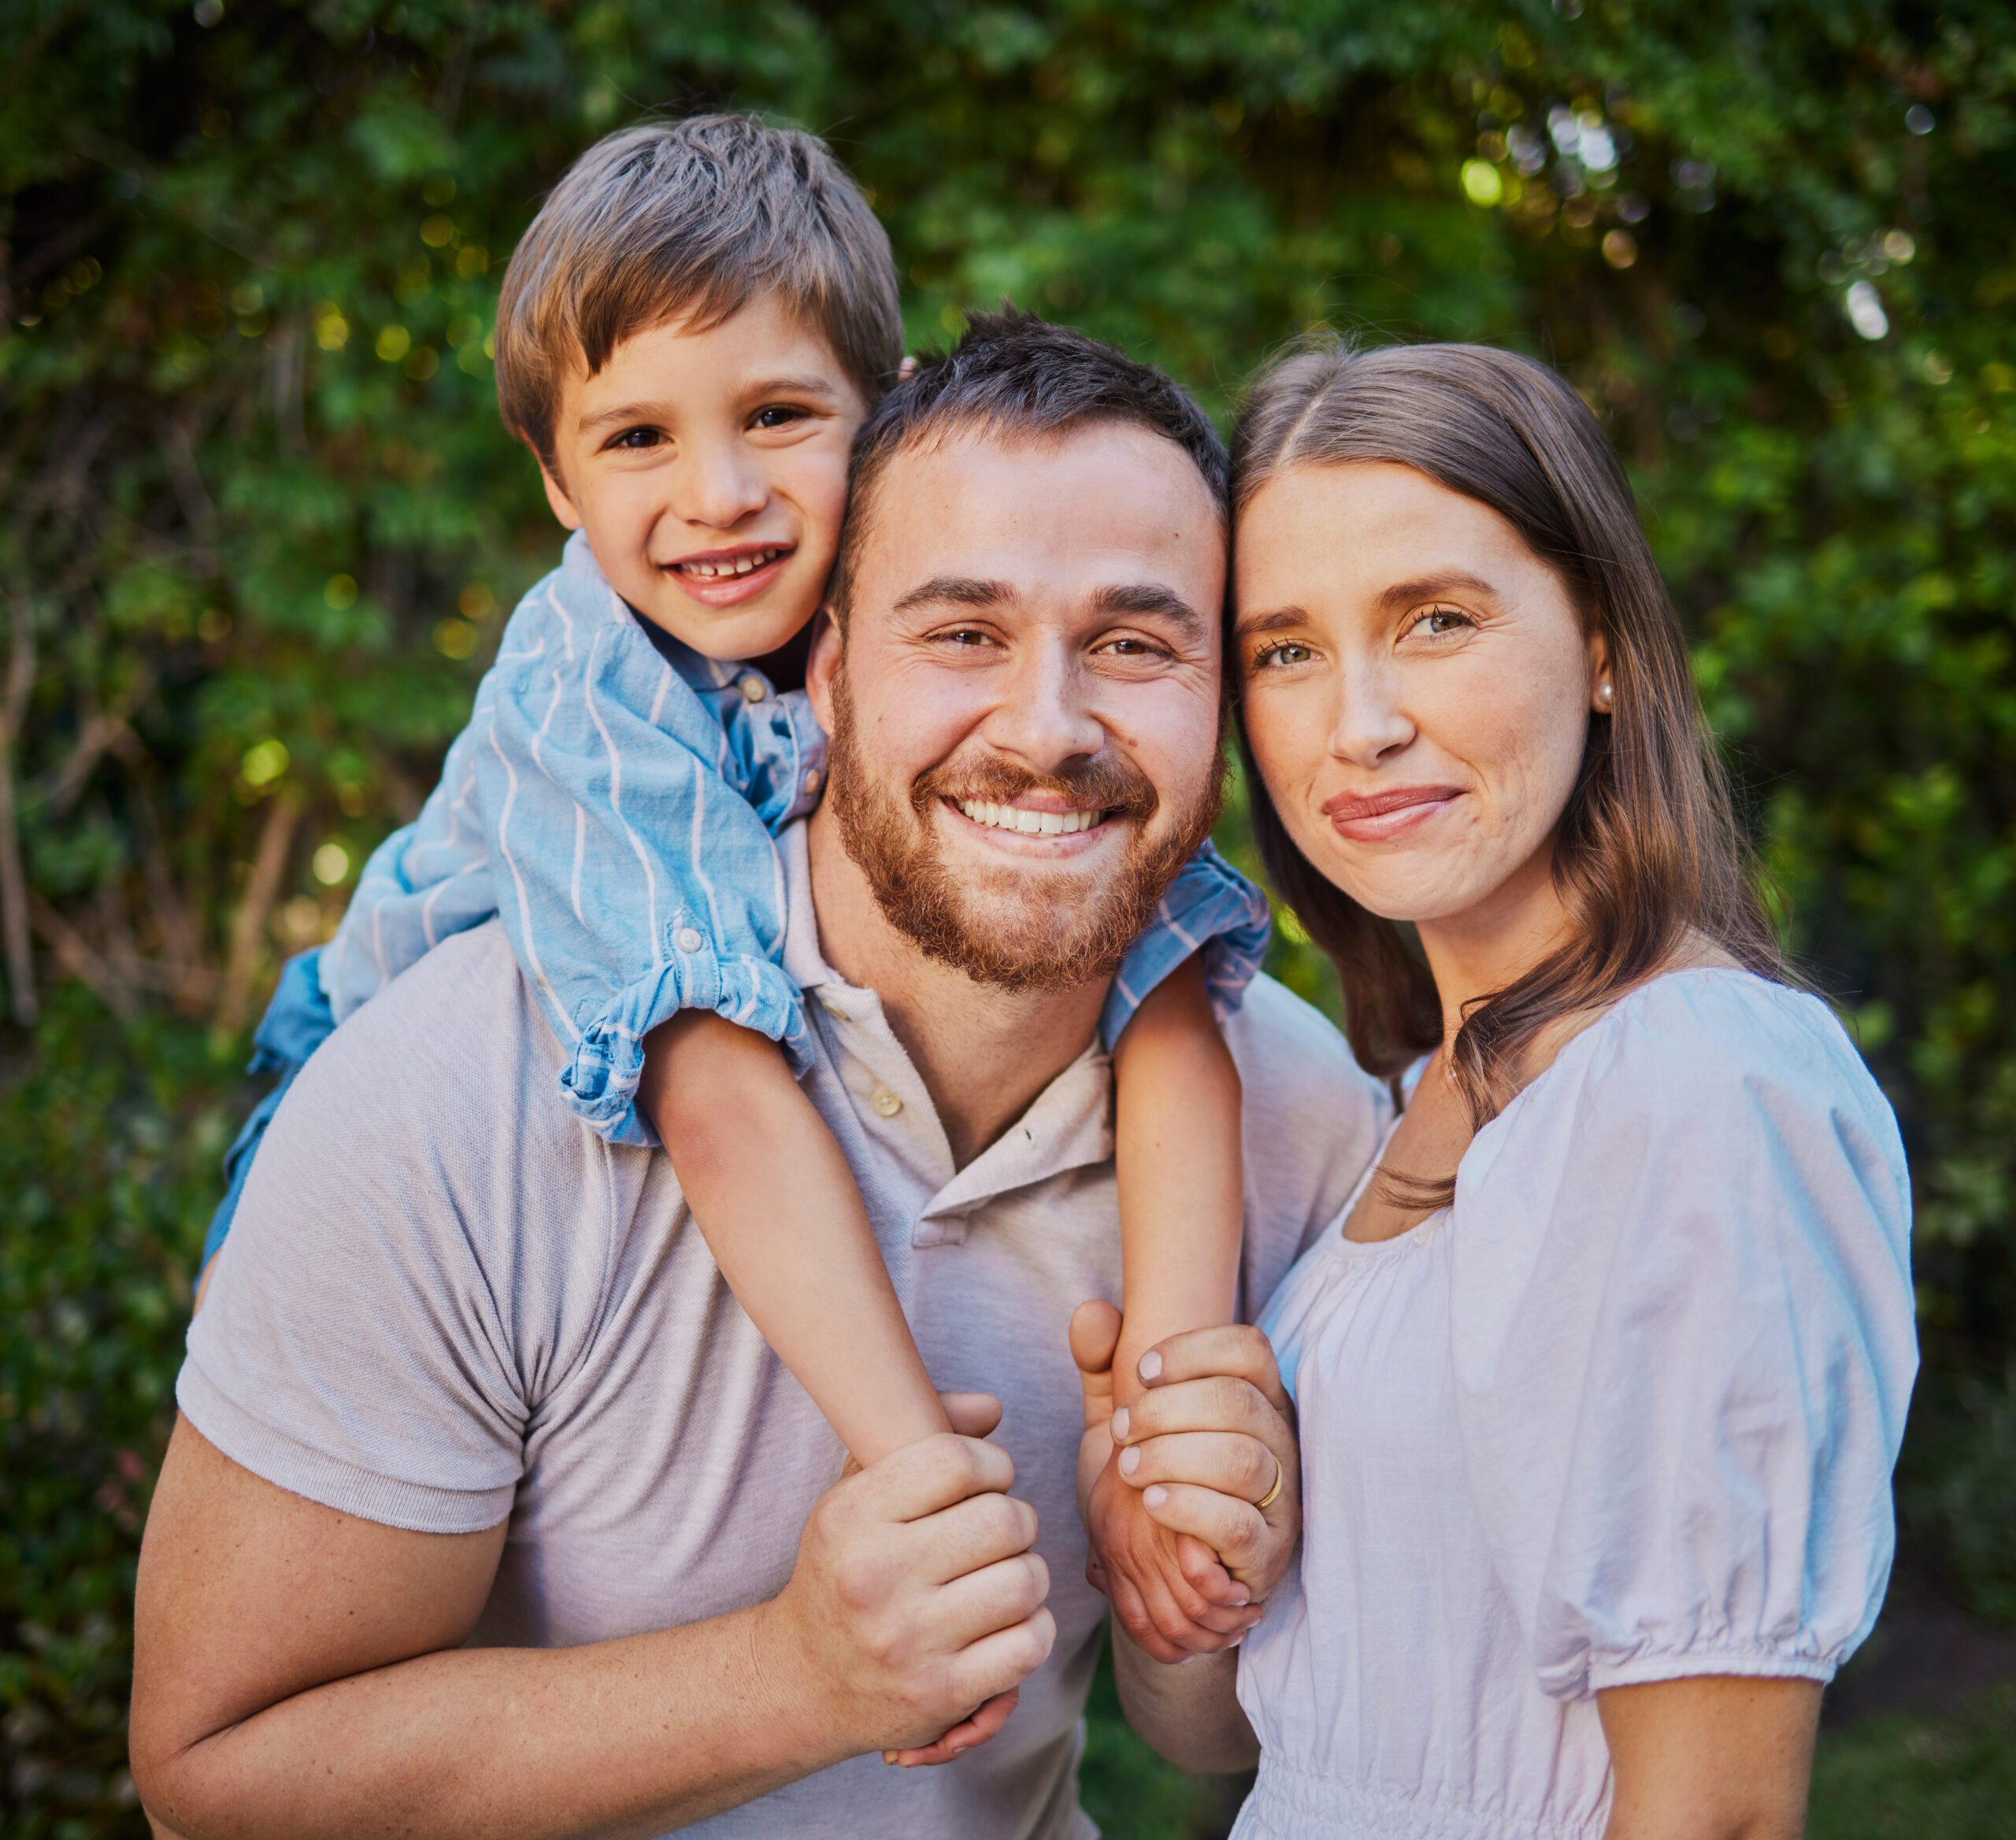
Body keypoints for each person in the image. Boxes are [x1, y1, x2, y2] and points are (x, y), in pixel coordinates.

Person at [128, 315, 1390, 1839]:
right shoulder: (469, 1082)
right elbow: (218, 1772)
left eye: (1133, 642)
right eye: (962, 632)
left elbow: (1213, 1740)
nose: (1049, 728)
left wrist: (1188, 1591)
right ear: (831, 671)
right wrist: (791, 1678)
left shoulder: (1304, 1115)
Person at [199, 114, 1269, 1640]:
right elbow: (708, 1077)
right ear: (554, 480)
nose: (717, 496)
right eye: (637, 438)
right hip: (379, 1096)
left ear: (882, 414)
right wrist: (919, 1474)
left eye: (773, 415)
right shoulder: (588, 699)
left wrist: (1169, 1426)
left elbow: (1168, 980)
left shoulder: (919, 612)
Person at [1084, 338, 1918, 1839]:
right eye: (1285, 649)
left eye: (1438, 620)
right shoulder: (1389, 1102)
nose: (1360, 723)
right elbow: (1234, 1738)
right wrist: (1177, 1535)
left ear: (1601, 643)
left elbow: (1714, 1818)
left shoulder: (1694, 1083)